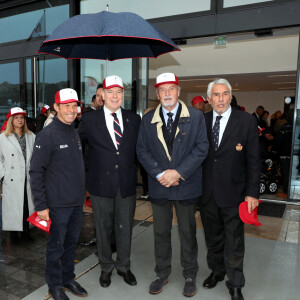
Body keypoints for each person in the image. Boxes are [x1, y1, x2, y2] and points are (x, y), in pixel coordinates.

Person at [136, 72, 209, 297]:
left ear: (179, 91)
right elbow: (142, 150)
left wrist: (178, 173)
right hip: (160, 185)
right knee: (161, 232)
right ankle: (162, 272)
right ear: (157, 94)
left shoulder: (196, 117)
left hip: (186, 185)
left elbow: (201, 148)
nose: (167, 93)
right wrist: (160, 174)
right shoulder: (148, 120)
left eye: (171, 88)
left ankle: (190, 274)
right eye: (162, 89)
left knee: (187, 232)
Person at [78, 75, 141, 288]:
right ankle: (106, 267)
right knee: (102, 228)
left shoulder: (134, 119)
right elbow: (77, 146)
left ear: (123, 95)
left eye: (119, 92)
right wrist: (89, 170)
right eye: (110, 91)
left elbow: (141, 151)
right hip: (100, 185)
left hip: (126, 185)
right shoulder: (89, 119)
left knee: (125, 228)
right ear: (102, 95)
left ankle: (124, 266)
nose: (115, 96)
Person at [200, 78, 260, 300]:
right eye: (216, 95)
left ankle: (235, 283)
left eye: (225, 94)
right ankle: (217, 271)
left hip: (235, 193)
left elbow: (254, 160)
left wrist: (252, 192)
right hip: (207, 193)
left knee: (234, 240)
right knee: (213, 238)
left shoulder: (245, 121)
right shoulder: (201, 121)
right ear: (209, 99)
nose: (221, 99)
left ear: (231, 96)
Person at [30, 88, 88, 300]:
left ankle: (67, 278)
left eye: (74, 105)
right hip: (56, 205)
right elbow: (36, 172)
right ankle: (54, 285)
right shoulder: (46, 135)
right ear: (56, 107)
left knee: (71, 243)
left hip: (75, 203)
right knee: (56, 247)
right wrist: (41, 205)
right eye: (67, 106)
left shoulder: (74, 131)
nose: (72, 110)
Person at [0, 107, 35, 243]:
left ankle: (26, 232)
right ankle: (13, 234)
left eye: (22, 117)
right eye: (16, 117)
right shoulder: (3, 137)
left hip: (27, 177)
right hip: (12, 178)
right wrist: (3, 174)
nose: (20, 120)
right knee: (13, 207)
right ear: (11, 120)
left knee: (27, 206)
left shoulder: (31, 136)